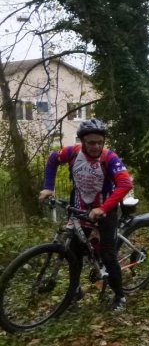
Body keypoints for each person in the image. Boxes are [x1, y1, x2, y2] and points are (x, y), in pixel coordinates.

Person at [38, 118, 134, 312]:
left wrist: (103, 209)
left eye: (100, 142)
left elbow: (125, 184)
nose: (96, 146)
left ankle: (120, 296)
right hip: (80, 207)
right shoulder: (72, 153)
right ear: (82, 141)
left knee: (108, 255)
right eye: (91, 142)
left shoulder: (110, 158)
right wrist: (48, 187)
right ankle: (75, 291)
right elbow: (52, 160)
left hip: (105, 209)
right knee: (74, 252)